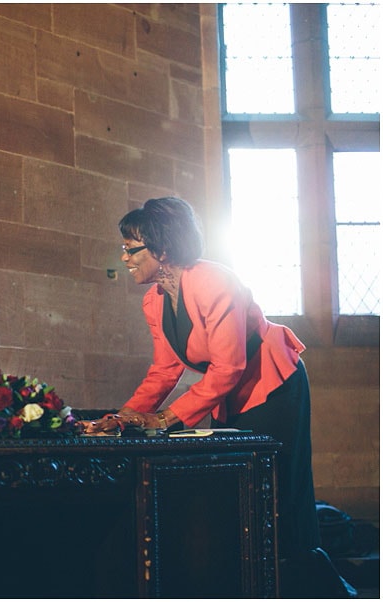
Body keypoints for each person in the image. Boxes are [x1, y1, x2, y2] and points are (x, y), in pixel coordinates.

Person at [85, 196, 355, 598]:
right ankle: (243, 584)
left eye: (131, 248)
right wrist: (123, 418)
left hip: (274, 385)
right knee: (232, 491)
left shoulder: (215, 281)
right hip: (228, 393)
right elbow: (164, 371)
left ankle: (305, 585)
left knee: (276, 490)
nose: (124, 257)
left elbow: (228, 367)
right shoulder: (153, 300)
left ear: (161, 250)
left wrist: (165, 420)